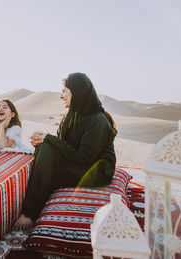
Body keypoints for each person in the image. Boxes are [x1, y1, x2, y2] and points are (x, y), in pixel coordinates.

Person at [13, 72, 118, 230]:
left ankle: (30, 213)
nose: (61, 96)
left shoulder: (97, 120)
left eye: (64, 92)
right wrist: (43, 141)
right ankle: (32, 205)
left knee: (47, 158)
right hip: (78, 163)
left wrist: (49, 139)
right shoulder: (72, 115)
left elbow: (84, 158)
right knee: (45, 148)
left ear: (77, 92)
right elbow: (63, 144)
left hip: (95, 170)